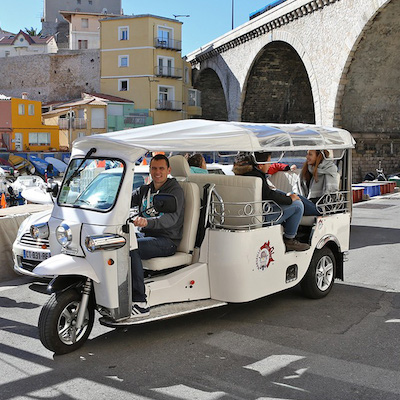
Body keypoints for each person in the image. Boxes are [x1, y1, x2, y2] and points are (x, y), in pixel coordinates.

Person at [130, 154, 185, 317]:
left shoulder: (175, 191)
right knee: (120, 241)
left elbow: (171, 219)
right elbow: (125, 200)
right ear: (149, 170)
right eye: (154, 168)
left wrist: (147, 223)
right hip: (147, 236)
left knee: (134, 248)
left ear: (168, 170)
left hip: (167, 240)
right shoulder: (145, 189)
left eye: (161, 168)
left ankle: (140, 302)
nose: (157, 172)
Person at [233, 152, 310, 252]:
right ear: (260, 165)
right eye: (268, 163)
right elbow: (269, 195)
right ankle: (289, 239)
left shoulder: (243, 174)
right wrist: (290, 199)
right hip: (262, 217)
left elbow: (268, 193)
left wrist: (285, 196)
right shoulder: (257, 177)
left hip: (244, 213)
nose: (270, 165)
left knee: (288, 196)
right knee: (298, 205)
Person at [299, 150, 339, 216]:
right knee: (291, 198)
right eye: (307, 154)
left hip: (321, 207)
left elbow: (330, 196)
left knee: (293, 197)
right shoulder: (308, 170)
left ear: (319, 156)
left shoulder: (329, 170)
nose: (307, 157)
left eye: (310, 154)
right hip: (310, 204)